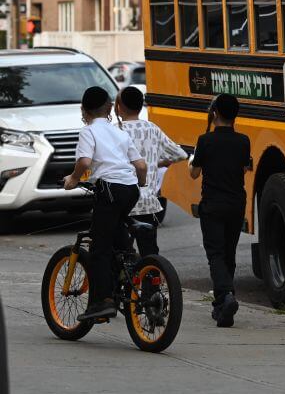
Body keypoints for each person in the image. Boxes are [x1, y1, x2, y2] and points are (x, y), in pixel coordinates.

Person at [64, 86, 147, 322]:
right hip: (130, 190)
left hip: (109, 189)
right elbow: (141, 166)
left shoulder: (88, 131)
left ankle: (103, 302)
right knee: (116, 231)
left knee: (99, 248)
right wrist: (141, 184)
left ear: (84, 109)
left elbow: (85, 160)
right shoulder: (120, 132)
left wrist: (73, 179)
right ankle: (127, 268)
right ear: (110, 108)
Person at [190, 94, 251, 327]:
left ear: (214, 113)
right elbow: (244, 167)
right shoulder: (244, 141)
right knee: (229, 253)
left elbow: (194, 173)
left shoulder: (205, 141)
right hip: (236, 204)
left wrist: (192, 160)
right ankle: (223, 305)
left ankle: (225, 295)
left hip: (212, 204)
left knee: (215, 254)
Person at [116, 86, 188, 256]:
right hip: (147, 203)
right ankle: (151, 280)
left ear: (119, 106)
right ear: (141, 107)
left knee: (120, 251)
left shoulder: (115, 130)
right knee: (149, 252)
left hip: (123, 202)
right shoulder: (152, 128)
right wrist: (158, 162)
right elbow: (180, 154)